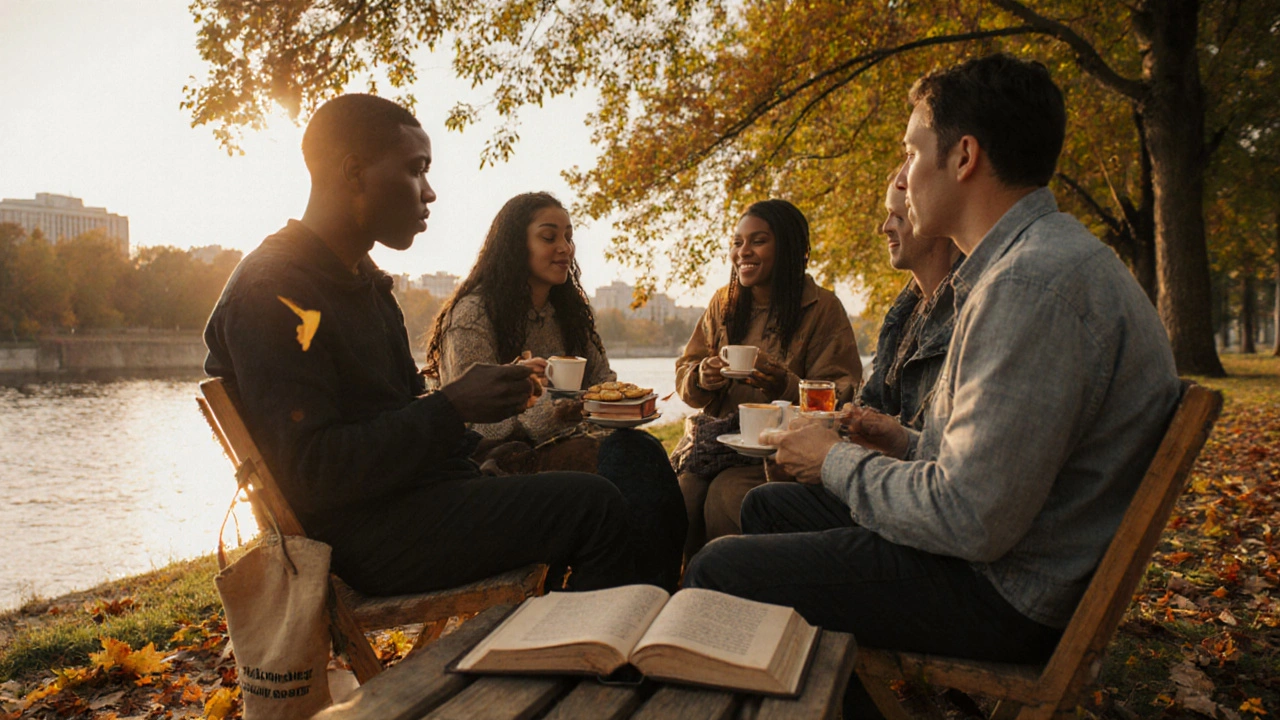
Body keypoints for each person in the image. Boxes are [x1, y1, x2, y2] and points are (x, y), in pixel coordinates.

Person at [682, 54, 1181, 717]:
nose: (905, 177)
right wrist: (902, 439)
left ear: (964, 156)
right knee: (772, 510)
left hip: (1008, 590)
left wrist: (834, 459)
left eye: (913, 152)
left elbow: (970, 520)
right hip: (1020, 552)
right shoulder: (1031, 265)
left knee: (720, 569)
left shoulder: (1029, 285)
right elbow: (993, 466)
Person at [204, 94, 638, 597]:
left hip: (419, 494)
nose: (429, 193)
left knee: (620, 464)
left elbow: (400, 412)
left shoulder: (365, 284)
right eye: (416, 170)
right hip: (361, 537)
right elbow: (313, 472)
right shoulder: (274, 289)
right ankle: (592, 657)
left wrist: (486, 439)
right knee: (594, 505)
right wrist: (454, 405)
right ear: (354, 171)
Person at [422, 191, 686, 591]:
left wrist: (615, 404)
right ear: (515, 245)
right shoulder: (474, 315)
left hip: (578, 446)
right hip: (497, 463)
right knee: (626, 472)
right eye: (549, 237)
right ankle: (611, 603)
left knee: (642, 455)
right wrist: (554, 411)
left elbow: (605, 383)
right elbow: (475, 424)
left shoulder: (572, 312)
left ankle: (649, 599)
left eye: (569, 236)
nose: (564, 248)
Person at [673, 199, 862, 558]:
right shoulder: (723, 303)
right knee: (679, 496)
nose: (743, 251)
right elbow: (686, 376)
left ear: (789, 247)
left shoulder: (822, 309)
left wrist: (785, 387)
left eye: (757, 241)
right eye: (737, 242)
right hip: (716, 447)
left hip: (780, 455)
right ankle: (672, 593)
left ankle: (733, 595)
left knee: (725, 496)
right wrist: (703, 376)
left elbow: (841, 396)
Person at [858, 168, 963, 429]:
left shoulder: (970, 309)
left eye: (899, 217)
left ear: (933, 222)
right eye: (887, 215)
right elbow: (870, 403)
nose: (885, 228)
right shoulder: (905, 311)